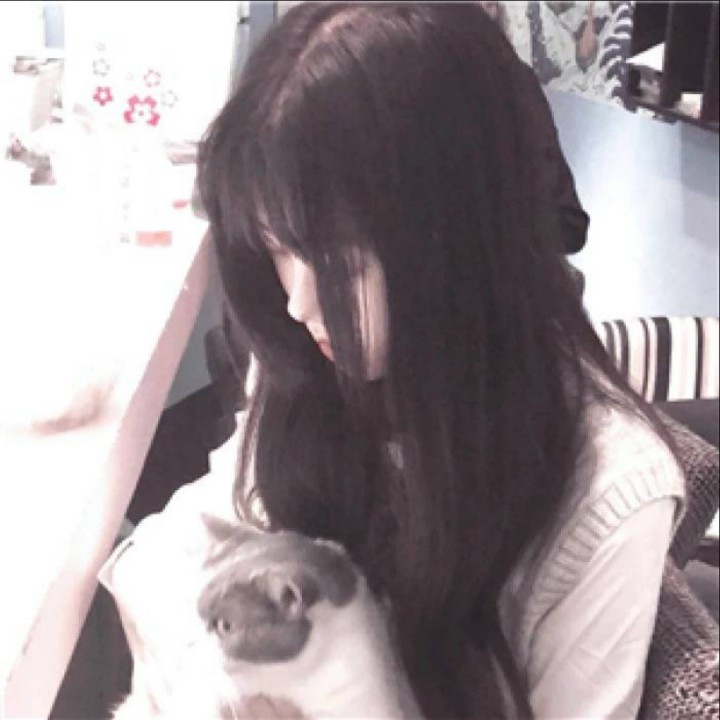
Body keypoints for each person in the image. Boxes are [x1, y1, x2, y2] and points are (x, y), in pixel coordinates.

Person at [100, 3, 686, 718]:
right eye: (277, 249)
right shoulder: (321, 359)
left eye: (338, 265)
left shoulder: (605, 493)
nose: (297, 305)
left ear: (459, 247)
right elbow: (170, 548)